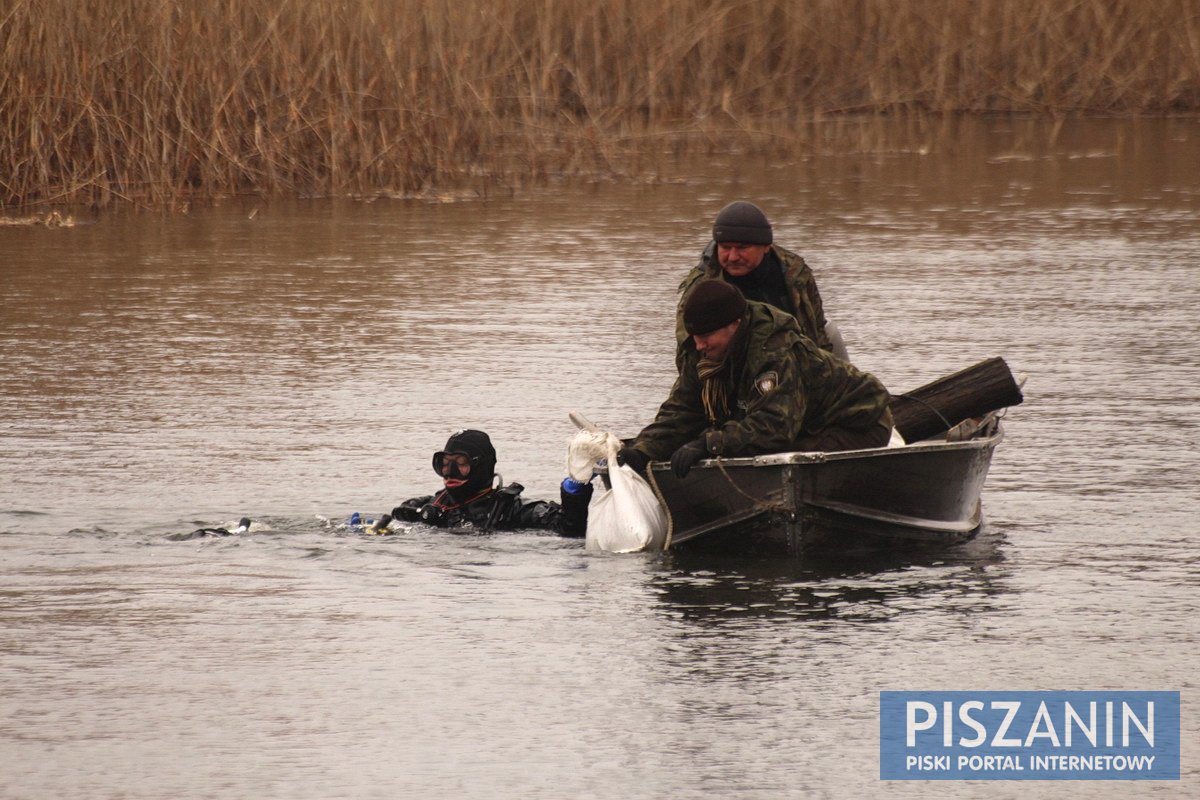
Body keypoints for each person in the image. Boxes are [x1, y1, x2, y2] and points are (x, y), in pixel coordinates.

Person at [622, 281, 893, 479]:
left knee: (780, 463)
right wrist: (644, 450)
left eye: (706, 336)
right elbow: (683, 409)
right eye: (695, 337)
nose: (700, 345)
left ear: (734, 325)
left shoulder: (773, 351)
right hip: (803, 423)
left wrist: (710, 444)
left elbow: (774, 426)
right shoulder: (701, 350)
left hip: (856, 421)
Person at [676, 200, 837, 356]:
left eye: (742, 248)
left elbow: (818, 332)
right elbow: (687, 352)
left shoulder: (796, 273)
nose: (732, 257)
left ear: (766, 246)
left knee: (831, 331)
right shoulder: (701, 287)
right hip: (732, 369)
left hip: (795, 359)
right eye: (725, 247)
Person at [390, 429, 592, 536]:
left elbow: (570, 527)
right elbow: (401, 511)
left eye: (460, 464)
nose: (449, 472)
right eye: (444, 464)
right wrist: (418, 514)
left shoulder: (512, 509)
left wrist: (575, 489)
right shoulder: (438, 503)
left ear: (481, 467)